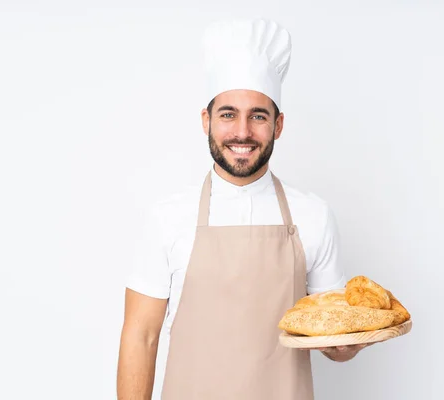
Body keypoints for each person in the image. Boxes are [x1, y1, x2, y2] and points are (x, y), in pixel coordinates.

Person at [117, 18, 370, 400]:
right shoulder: (168, 217)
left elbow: (331, 335)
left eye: (258, 116)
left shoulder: (313, 216)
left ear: (278, 125)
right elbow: (141, 335)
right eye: (228, 114)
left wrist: (347, 344)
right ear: (207, 121)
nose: (242, 132)